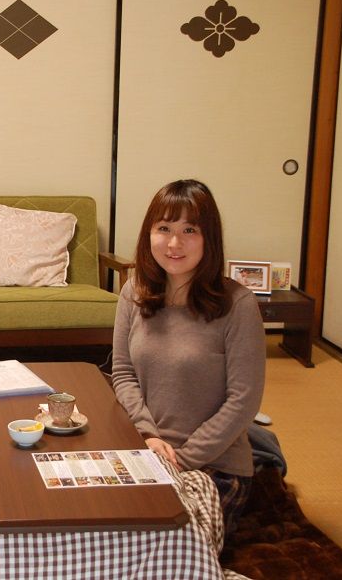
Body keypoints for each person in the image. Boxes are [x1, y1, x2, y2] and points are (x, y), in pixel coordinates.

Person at [111, 179, 265, 537]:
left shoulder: (238, 305)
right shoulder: (134, 291)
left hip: (214, 465)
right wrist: (146, 434)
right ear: (149, 233)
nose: (174, 243)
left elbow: (243, 400)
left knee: (164, 540)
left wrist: (182, 459)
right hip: (145, 450)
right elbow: (122, 372)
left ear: (209, 238)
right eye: (164, 228)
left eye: (189, 230)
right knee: (99, 521)